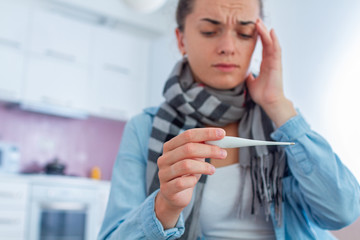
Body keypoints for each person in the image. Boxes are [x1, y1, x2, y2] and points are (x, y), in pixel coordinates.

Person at [98, 0, 360, 239]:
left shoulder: (280, 121)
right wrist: (165, 205)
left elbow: (343, 212)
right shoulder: (144, 129)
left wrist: (278, 105)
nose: (228, 47)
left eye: (245, 34)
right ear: (181, 40)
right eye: (210, 31)